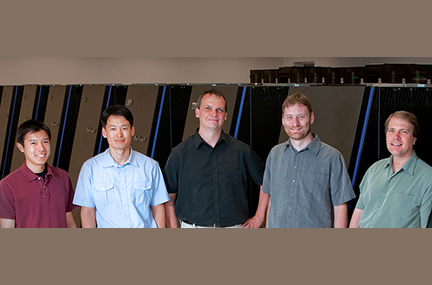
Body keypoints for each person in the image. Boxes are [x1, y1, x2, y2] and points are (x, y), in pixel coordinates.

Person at [163, 89, 268, 228]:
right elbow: (168, 196)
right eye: (208, 108)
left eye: (219, 109)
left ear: (225, 115)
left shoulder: (241, 151)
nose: (214, 114)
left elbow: (266, 180)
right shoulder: (179, 154)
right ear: (197, 112)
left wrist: (259, 217)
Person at [262, 92, 356, 228]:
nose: (295, 123)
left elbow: (340, 206)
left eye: (301, 117)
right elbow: (272, 201)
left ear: (311, 118)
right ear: (283, 120)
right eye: (290, 117)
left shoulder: (332, 157)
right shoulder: (275, 154)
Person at [73, 105, 169, 228]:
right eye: (113, 129)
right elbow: (88, 212)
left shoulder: (150, 166)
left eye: (124, 128)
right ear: (104, 132)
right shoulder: (90, 168)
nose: (119, 134)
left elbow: (158, 208)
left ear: (132, 130)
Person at [350, 111, 432, 228]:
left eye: (403, 131)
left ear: (414, 139)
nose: (396, 137)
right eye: (391, 130)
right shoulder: (374, 170)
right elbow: (359, 212)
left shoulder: (428, 178)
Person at [0, 120, 78, 228]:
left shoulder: (62, 176)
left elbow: (69, 221)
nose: (41, 148)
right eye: (33, 143)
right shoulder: (7, 185)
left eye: (45, 142)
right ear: (21, 147)